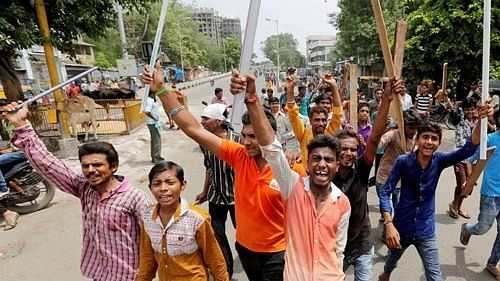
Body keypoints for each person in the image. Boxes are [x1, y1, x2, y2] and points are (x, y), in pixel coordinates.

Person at [140, 63, 305, 281]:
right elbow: (193, 129)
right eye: (244, 135)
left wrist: (252, 97)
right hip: (245, 250)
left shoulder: (292, 169)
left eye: (253, 136)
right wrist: (161, 89)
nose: (246, 142)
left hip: (279, 252)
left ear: (270, 134)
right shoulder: (239, 155)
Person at [2, 101, 150, 281]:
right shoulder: (85, 188)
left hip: (130, 276)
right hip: (100, 274)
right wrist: (21, 124)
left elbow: (157, 238)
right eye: (86, 165)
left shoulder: (135, 198)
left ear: (114, 167)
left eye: (97, 165)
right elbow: (47, 164)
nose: (90, 170)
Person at [230, 72, 350, 280]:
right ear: (308, 163)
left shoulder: (342, 203)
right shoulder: (292, 188)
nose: (322, 164)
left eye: (328, 160)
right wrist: (251, 99)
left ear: (337, 165)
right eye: (316, 159)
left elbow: (338, 250)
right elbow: (271, 147)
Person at [378, 102, 492, 281]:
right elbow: (385, 192)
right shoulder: (403, 161)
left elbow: (467, 149)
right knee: (392, 260)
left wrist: (480, 120)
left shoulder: (439, 160)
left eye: (434, 138)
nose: (429, 142)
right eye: (425, 137)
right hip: (401, 227)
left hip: (426, 231)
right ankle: (386, 273)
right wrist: (389, 224)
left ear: (438, 143)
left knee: (434, 276)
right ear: (417, 140)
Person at [333, 76, 402, 281]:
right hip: (335, 248)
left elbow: (374, 137)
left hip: (362, 244)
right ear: (335, 152)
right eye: (343, 148)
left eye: (353, 149)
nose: (348, 153)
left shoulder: (361, 171)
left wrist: (387, 100)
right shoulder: (324, 178)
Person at [136, 161, 229, 281]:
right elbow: (147, 259)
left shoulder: (197, 218)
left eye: (170, 183)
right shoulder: (148, 217)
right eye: (157, 184)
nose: (163, 189)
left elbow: (214, 258)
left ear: (183, 185)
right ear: (150, 188)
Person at [194, 103, 238, 278]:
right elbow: (209, 168)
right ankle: (226, 271)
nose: (202, 122)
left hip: (237, 198)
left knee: (242, 236)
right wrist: (205, 191)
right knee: (218, 236)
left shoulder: (238, 140)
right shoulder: (205, 142)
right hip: (215, 195)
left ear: (219, 121)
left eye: (206, 119)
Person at [460, 110, 500, 279]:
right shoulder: (491, 140)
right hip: (491, 193)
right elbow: (470, 159)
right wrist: (470, 180)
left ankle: (492, 263)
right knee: (482, 228)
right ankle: (467, 229)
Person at [286, 74, 343, 168]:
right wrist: (290, 90)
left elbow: (337, 113)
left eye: (323, 120)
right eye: (317, 120)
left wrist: (333, 86)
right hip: (306, 179)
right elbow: (293, 114)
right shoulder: (303, 135)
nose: (321, 123)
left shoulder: (330, 134)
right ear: (310, 121)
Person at [375, 109, 421, 223]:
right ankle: (387, 229)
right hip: (385, 178)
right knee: (387, 207)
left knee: (399, 208)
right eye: (410, 128)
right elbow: (378, 144)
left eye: (415, 128)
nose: (413, 131)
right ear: (403, 125)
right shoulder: (393, 134)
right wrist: (381, 130)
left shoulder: (417, 137)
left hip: (402, 182)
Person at [449, 97, 477, 219]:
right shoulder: (459, 120)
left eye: (472, 109)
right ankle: (456, 206)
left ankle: (456, 205)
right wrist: (447, 100)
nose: (470, 112)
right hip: (459, 157)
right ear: (464, 110)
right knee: (462, 184)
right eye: (467, 110)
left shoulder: (479, 121)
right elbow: (453, 112)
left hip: (473, 159)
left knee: (469, 187)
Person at [144, 90, 164, 164]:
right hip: (152, 123)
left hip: (153, 122)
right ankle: (156, 158)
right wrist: (154, 117)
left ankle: (155, 156)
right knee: (156, 140)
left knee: (155, 140)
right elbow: (147, 111)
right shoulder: (149, 100)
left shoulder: (152, 99)